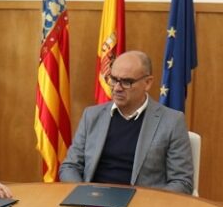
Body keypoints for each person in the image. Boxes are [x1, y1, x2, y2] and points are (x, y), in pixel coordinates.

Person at [59, 51, 193, 194]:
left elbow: (182, 182)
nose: (117, 88)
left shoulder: (172, 122)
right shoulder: (91, 116)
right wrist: (83, 193)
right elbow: (70, 167)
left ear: (147, 83)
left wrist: (148, 203)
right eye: (113, 79)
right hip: (93, 202)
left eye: (126, 82)